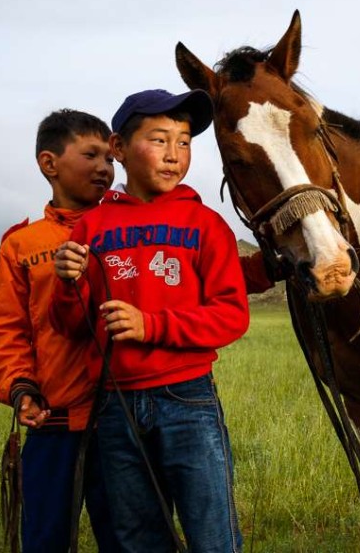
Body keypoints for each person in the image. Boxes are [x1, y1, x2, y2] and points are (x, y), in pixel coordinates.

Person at [51, 88, 249, 553]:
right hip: (115, 406)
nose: (174, 154)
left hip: (188, 399)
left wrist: (150, 325)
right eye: (159, 140)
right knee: (137, 536)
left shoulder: (205, 224)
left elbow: (231, 315)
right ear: (119, 149)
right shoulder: (93, 228)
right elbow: (71, 325)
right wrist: (68, 283)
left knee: (212, 533)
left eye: (183, 142)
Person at [0, 109, 118, 553]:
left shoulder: (128, 228)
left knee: (131, 538)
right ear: (49, 163)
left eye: (110, 157)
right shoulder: (22, 244)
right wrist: (21, 390)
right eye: (91, 155)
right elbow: (8, 330)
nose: (105, 167)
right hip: (53, 424)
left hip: (122, 421)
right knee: (46, 540)